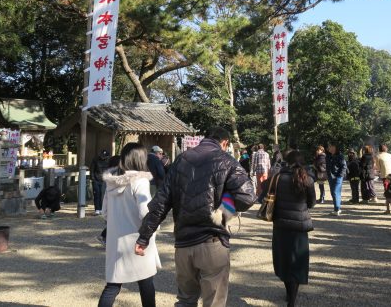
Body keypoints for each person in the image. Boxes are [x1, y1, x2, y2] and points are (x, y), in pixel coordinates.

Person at [135, 127, 256, 307]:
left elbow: (160, 202)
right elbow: (247, 195)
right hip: (212, 241)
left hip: (184, 243)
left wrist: (144, 236)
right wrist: (223, 213)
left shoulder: (181, 160)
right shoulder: (226, 160)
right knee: (213, 302)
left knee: (185, 300)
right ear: (224, 143)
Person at [98, 143, 161, 307]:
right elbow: (145, 212)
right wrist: (154, 228)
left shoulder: (111, 182)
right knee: (146, 282)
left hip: (115, 239)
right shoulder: (140, 181)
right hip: (138, 240)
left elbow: (104, 212)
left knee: (113, 285)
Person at [268, 150, 315, 307]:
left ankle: (289, 294)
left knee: (284, 260)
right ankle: (292, 300)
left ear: (286, 161)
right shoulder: (307, 179)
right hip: (300, 227)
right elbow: (311, 203)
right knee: (298, 262)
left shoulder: (278, 177)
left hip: (281, 225)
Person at [326, 143, 347, 215]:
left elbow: (344, 166)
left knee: (335, 192)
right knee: (333, 193)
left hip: (337, 177)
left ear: (335, 147)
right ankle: (337, 208)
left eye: (331, 146)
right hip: (330, 177)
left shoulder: (340, 156)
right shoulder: (328, 156)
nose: (329, 148)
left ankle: (337, 209)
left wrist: (339, 176)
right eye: (329, 147)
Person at [90, 150, 110, 215]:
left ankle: (102, 208)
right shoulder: (95, 160)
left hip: (104, 180)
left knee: (103, 195)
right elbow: (92, 169)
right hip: (96, 179)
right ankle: (97, 209)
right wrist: (93, 179)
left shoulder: (108, 161)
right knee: (97, 194)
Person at [377, 144, 391, 213]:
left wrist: (378, 172)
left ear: (379, 149)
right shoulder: (390, 155)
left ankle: (389, 204)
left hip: (385, 175)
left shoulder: (378, 156)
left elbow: (378, 168)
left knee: (387, 189)